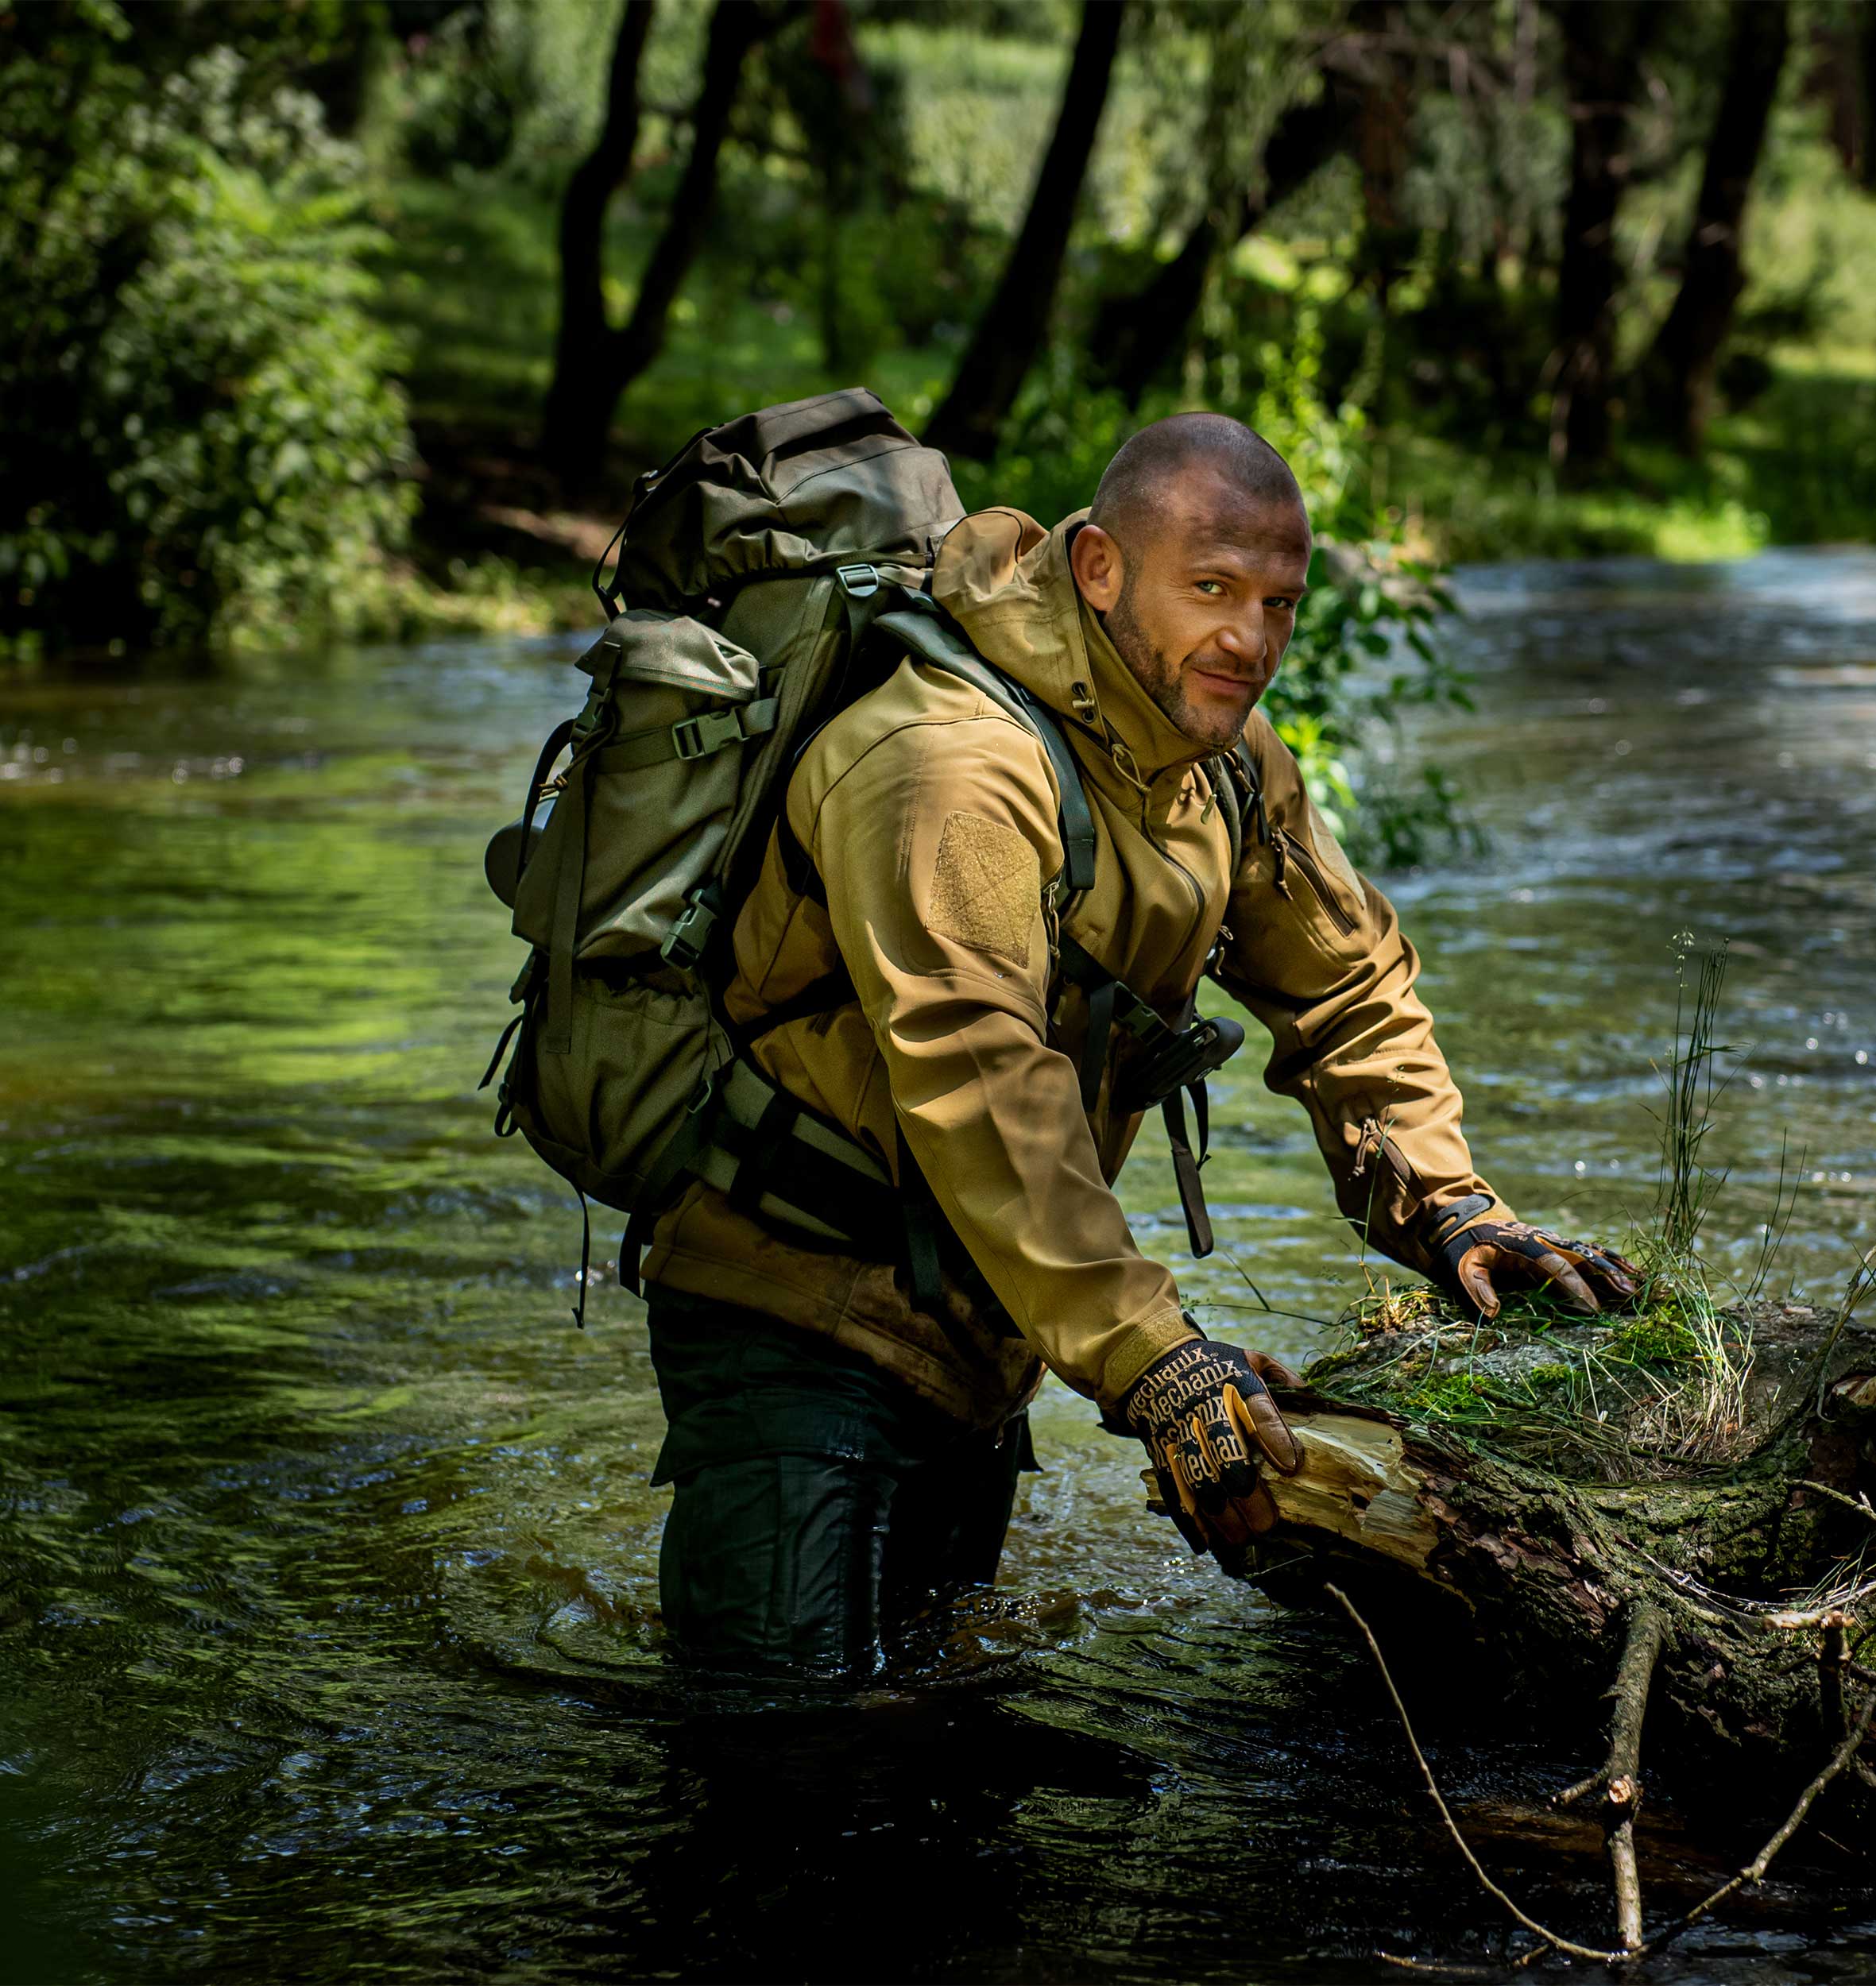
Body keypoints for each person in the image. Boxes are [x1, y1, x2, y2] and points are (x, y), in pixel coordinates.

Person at [638, 412, 1638, 1675]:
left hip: (986, 1311)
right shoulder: (943, 765)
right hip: (796, 1306)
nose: (1253, 642)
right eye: (1212, 589)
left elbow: (1348, 984)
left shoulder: (1212, 754)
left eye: (1280, 602)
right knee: (789, 1747)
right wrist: (1156, 1359)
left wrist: (1450, 1208)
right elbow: (981, 1076)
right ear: (1102, 570)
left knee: (942, 1719)